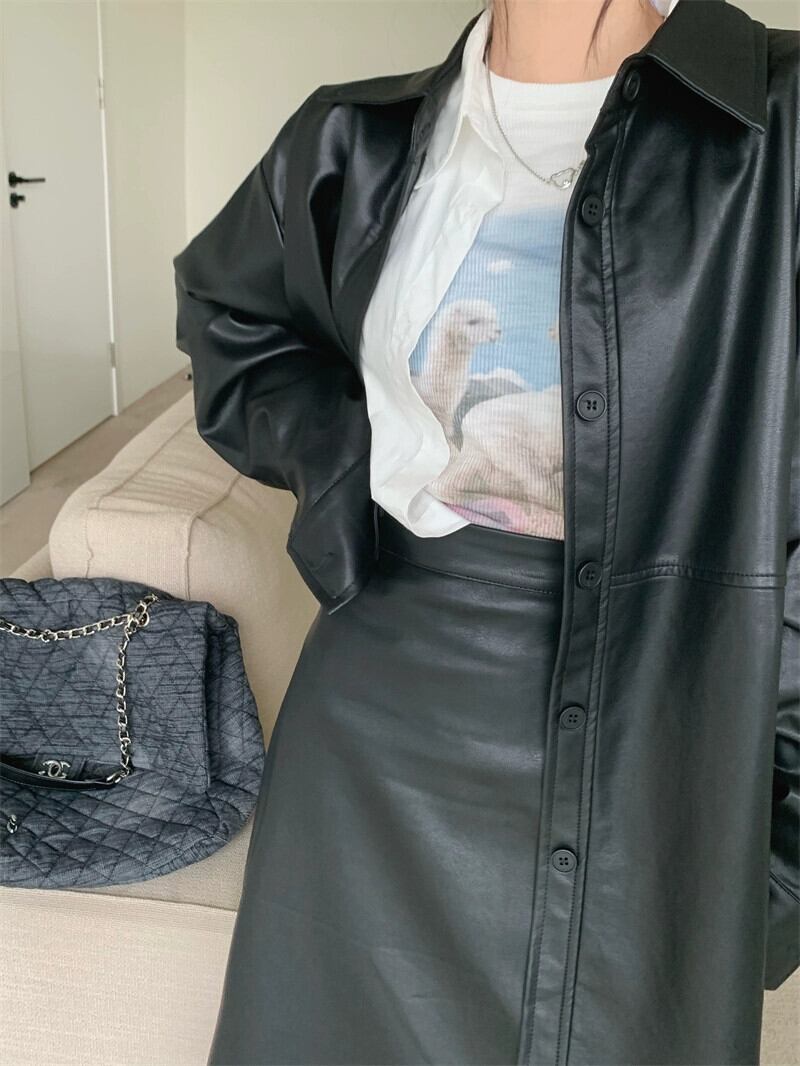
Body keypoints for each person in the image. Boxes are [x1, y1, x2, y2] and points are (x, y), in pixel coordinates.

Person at [172, 1, 800, 1063]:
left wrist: (773, 852)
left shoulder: (775, 122)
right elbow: (231, 318)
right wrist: (344, 463)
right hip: (372, 735)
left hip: (660, 728)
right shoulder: (349, 139)